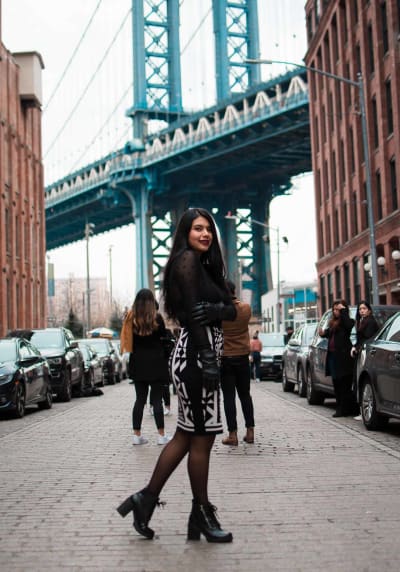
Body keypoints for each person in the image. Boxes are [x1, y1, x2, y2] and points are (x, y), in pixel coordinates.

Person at [117, 207, 236, 543]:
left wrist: (216, 309)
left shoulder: (206, 266)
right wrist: (208, 359)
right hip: (198, 357)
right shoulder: (187, 261)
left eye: (209, 229)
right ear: (185, 232)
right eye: (198, 228)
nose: (205, 234)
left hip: (202, 355)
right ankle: (200, 513)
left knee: (189, 436)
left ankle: (146, 501)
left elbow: (230, 308)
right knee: (200, 437)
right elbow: (196, 320)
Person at [120, 289, 171, 446]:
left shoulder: (131, 319)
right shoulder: (157, 319)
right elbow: (164, 339)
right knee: (157, 400)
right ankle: (161, 436)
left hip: (138, 364)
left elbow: (129, 340)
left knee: (139, 400)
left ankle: (137, 435)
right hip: (156, 363)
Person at [220, 280, 255, 446]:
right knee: (245, 395)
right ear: (234, 290)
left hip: (226, 358)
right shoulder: (246, 309)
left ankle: (232, 435)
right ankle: (250, 432)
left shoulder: (220, 312)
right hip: (242, 357)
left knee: (229, 397)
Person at [319, 299, 356, 418]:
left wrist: (343, 310)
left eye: (338, 309)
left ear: (344, 310)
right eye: (334, 309)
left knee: (344, 384)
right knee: (336, 383)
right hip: (333, 356)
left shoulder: (348, 321)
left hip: (343, 357)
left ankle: (344, 409)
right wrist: (322, 333)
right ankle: (340, 408)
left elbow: (348, 325)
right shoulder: (333, 323)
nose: (336, 311)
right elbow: (328, 333)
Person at [351, 300, 380, 420]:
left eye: (364, 308)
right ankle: (361, 410)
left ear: (369, 310)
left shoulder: (370, 322)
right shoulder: (362, 322)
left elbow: (367, 339)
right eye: (360, 309)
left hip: (365, 354)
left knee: (361, 380)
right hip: (361, 352)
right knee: (358, 380)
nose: (362, 311)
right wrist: (355, 346)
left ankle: (363, 412)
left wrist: (357, 348)